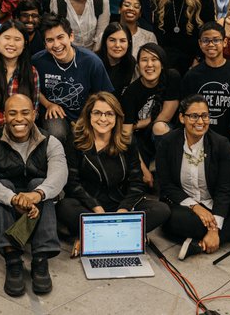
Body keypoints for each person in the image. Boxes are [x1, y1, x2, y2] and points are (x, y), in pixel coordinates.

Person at [0, 94, 66, 297]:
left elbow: (60, 174)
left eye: (25, 113)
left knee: (41, 184)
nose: (19, 119)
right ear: (4, 116)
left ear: (34, 114)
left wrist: (36, 195)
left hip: (39, 215)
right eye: (12, 113)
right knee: (1, 185)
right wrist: (12, 198)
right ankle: (13, 259)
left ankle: (40, 260)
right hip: (3, 216)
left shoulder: (50, 142)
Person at [157, 95, 230, 260]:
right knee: (171, 220)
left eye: (205, 116)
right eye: (194, 116)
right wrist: (196, 207)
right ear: (181, 118)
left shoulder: (221, 144)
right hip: (185, 207)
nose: (200, 121)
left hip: (214, 203)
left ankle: (202, 244)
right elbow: (166, 186)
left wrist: (214, 229)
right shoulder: (167, 142)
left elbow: (224, 189)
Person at [59, 93, 170, 251]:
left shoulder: (127, 141)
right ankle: (123, 235)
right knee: (64, 206)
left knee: (161, 210)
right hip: (88, 205)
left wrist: (123, 210)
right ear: (89, 115)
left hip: (119, 203)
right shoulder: (76, 140)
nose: (103, 119)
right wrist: (96, 208)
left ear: (117, 117)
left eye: (109, 114)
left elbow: (137, 183)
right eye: (97, 113)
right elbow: (72, 183)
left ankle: (91, 235)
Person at [32, 14, 114, 145]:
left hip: (86, 114)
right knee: (57, 132)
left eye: (60, 37)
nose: (57, 45)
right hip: (55, 113)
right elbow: (32, 87)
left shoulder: (91, 62)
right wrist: (48, 104)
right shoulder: (38, 61)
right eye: (50, 40)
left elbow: (105, 96)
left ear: (71, 36)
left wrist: (90, 117)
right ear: (45, 44)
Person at [181, 22, 230, 143]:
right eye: (206, 40)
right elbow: (186, 111)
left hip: (229, 140)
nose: (211, 44)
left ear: (225, 42)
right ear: (200, 43)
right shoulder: (192, 76)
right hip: (199, 138)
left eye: (216, 40)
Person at [121, 43, 180, 168]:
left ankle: (166, 169)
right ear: (138, 66)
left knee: (159, 127)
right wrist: (143, 170)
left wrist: (138, 124)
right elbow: (126, 134)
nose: (149, 64)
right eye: (144, 60)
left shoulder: (172, 77)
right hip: (142, 140)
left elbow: (166, 116)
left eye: (154, 59)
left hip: (168, 133)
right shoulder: (130, 93)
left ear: (162, 64)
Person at [96, 22, 136, 100]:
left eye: (122, 41)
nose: (117, 45)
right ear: (105, 42)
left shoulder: (131, 63)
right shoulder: (94, 61)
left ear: (129, 43)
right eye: (112, 40)